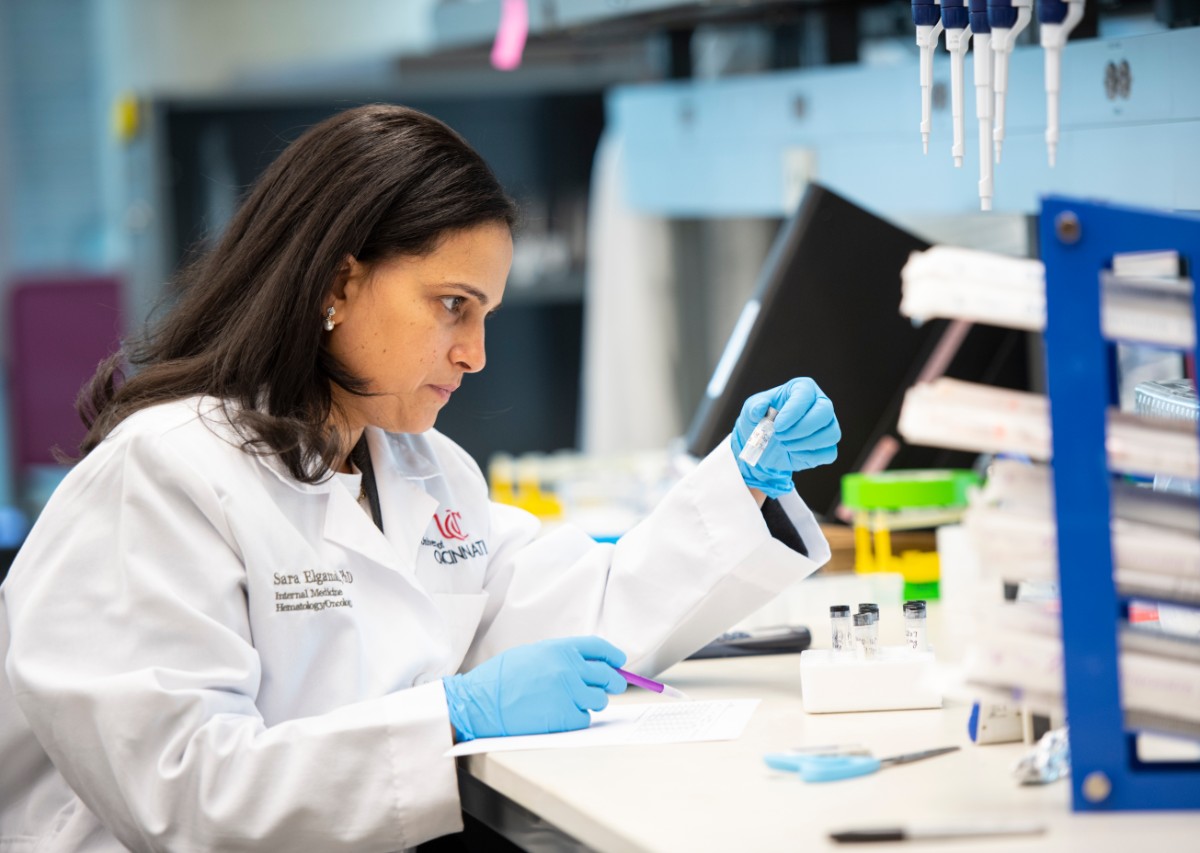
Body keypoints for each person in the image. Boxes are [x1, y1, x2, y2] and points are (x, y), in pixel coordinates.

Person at [0, 104, 840, 852]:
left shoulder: (423, 471)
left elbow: (585, 612)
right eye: (452, 305)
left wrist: (744, 478)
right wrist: (453, 715)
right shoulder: (162, 475)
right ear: (338, 281)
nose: (475, 353)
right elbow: (185, 795)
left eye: (484, 315)